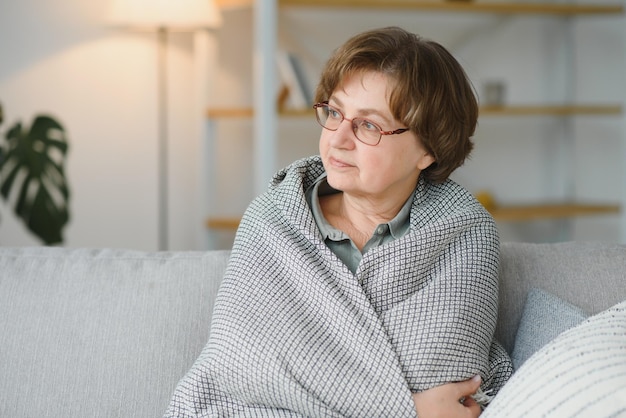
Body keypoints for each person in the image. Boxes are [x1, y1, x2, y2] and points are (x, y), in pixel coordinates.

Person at [165, 26, 512, 418]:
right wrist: (408, 409)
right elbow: (243, 365)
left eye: (368, 125)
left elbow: (447, 375)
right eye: (334, 112)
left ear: (428, 149)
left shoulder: (465, 233)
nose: (338, 139)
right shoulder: (270, 221)